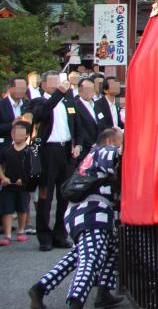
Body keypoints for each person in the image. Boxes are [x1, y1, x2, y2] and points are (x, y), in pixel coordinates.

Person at [29, 126, 124, 309]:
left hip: (83, 211)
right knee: (90, 258)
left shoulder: (91, 155)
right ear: (111, 141)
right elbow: (120, 156)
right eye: (120, 140)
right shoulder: (103, 150)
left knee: (93, 252)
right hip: (92, 212)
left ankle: (41, 289)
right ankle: (75, 300)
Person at [29, 72, 80, 250]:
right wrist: (58, 93)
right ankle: (44, 236)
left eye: (58, 82)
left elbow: (76, 124)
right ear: (43, 85)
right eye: (53, 82)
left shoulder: (68, 101)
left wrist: (78, 144)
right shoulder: (39, 101)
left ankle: (60, 234)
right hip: (47, 153)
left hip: (65, 150)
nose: (58, 85)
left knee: (64, 195)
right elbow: (41, 114)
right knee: (45, 195)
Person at [0, 119, 35, 245]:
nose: (16, 134)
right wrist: (3, 177)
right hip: (8, 184)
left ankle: (21, 230)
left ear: (27, 135)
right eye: (14, 132)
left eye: (20, 132)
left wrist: (25, 179)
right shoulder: (6, 150)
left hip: (23, 185)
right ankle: (7, 234)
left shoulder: (30, 151)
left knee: (22, 208)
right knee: (7, 209)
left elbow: (33, 168)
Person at [73, 78, 101, 156]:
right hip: (85, 148)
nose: (90, 91)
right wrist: (90, 143)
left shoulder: (97, 105)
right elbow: (79, 127)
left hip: (99, 147)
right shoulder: (75, 105)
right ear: (80, 90)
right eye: (87, 89)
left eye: (92, 89)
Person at [0, 77, 27, 145]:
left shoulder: (27, 105)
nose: (21, 90)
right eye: (19, 88)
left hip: (23, 147)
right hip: (5, 147)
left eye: (24, 88)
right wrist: (12, 124)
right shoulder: (2, 105)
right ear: (9, 88)